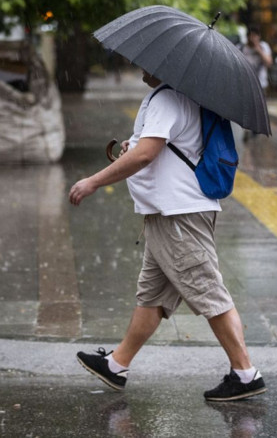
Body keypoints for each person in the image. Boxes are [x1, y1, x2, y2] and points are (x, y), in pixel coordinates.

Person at [69, 70, 266, 402]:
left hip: (179, 215)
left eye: (146, 64)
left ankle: (245, 373)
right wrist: (135, 147)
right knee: (153, 296)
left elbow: (147, 154)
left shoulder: (168, 98)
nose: (141, 69)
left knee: (208, 291)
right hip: (167, 213)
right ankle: (116, 366)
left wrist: (94, 181)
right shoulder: (182, 97)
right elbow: (157, 148)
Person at [239, 26, 273, 91]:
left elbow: (269, 63)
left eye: (255, 36)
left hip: (261, 83)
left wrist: (259, 50)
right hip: (245, 83)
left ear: (259, 36)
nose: (253, 39)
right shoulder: (241, 48)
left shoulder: (264, 46)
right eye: (251, 36)